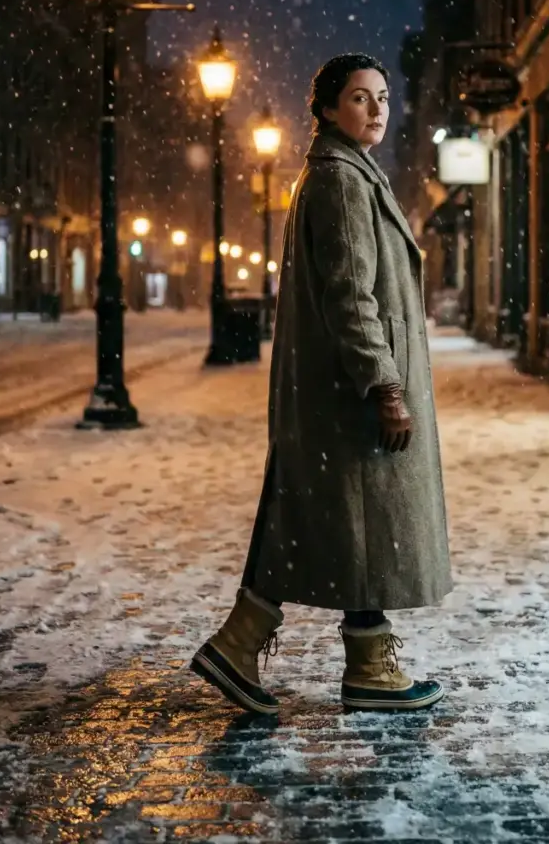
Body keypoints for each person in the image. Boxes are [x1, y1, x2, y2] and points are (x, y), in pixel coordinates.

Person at [191, 53, 452, 714]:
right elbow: (349, 296)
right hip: (352, 394)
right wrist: (384, 385)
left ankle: (301, 651)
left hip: (342, 392)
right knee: (341, 521)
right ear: (328, 109)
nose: (376, 110)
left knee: (337, 523)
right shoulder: (338, 179)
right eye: (360, 98)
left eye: (383, 99)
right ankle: (342, 661)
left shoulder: (350, 173)